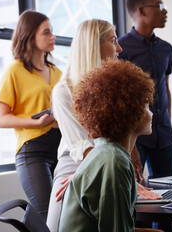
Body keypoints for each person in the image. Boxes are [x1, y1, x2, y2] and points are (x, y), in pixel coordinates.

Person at [47, 19, 160, 232]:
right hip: (76, 166)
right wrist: (94, 174)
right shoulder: (63, 91)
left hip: (105, 161)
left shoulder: (114, 88)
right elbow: (82, 147)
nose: (119, 48)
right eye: (113, 40)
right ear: (93, 44)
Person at [58, 59, 156, 232]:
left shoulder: (106, 152)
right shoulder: (114, 161)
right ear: (130, 111)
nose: (151, 113)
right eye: (146, 105)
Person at [0, 10, 62, 221]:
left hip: (62, 148)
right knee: (47, 217)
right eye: (46, 32)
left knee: (65, 215)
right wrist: (36, 122)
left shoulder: (57, 72)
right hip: (33, 151)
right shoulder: (15, 71)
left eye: (52, 31)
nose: (53, 37)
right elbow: (0, 118)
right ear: (30, 36)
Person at [118, 0, 172, 180]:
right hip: (136, 138)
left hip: (164, 135)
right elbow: (121, 100)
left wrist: (168, 123)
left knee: (171, 192)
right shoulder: (121, 49)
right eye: (159, 6)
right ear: (142, 11)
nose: (164, 10)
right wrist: (130, 147)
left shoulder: (166, 49)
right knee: (135, 193)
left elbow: (165, 87)